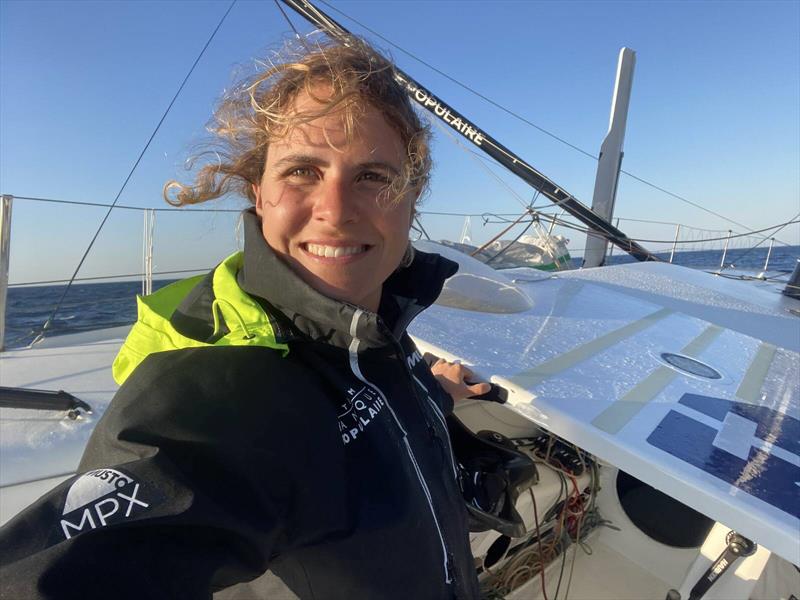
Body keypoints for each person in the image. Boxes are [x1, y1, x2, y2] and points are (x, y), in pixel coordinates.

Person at [0, 39, 493, 599]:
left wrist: (434, 392)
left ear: (412, 198)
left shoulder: (377, 316)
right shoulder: (227, 387)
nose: (335, 210)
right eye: (303, 170)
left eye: (374, 176)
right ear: (259, 193)